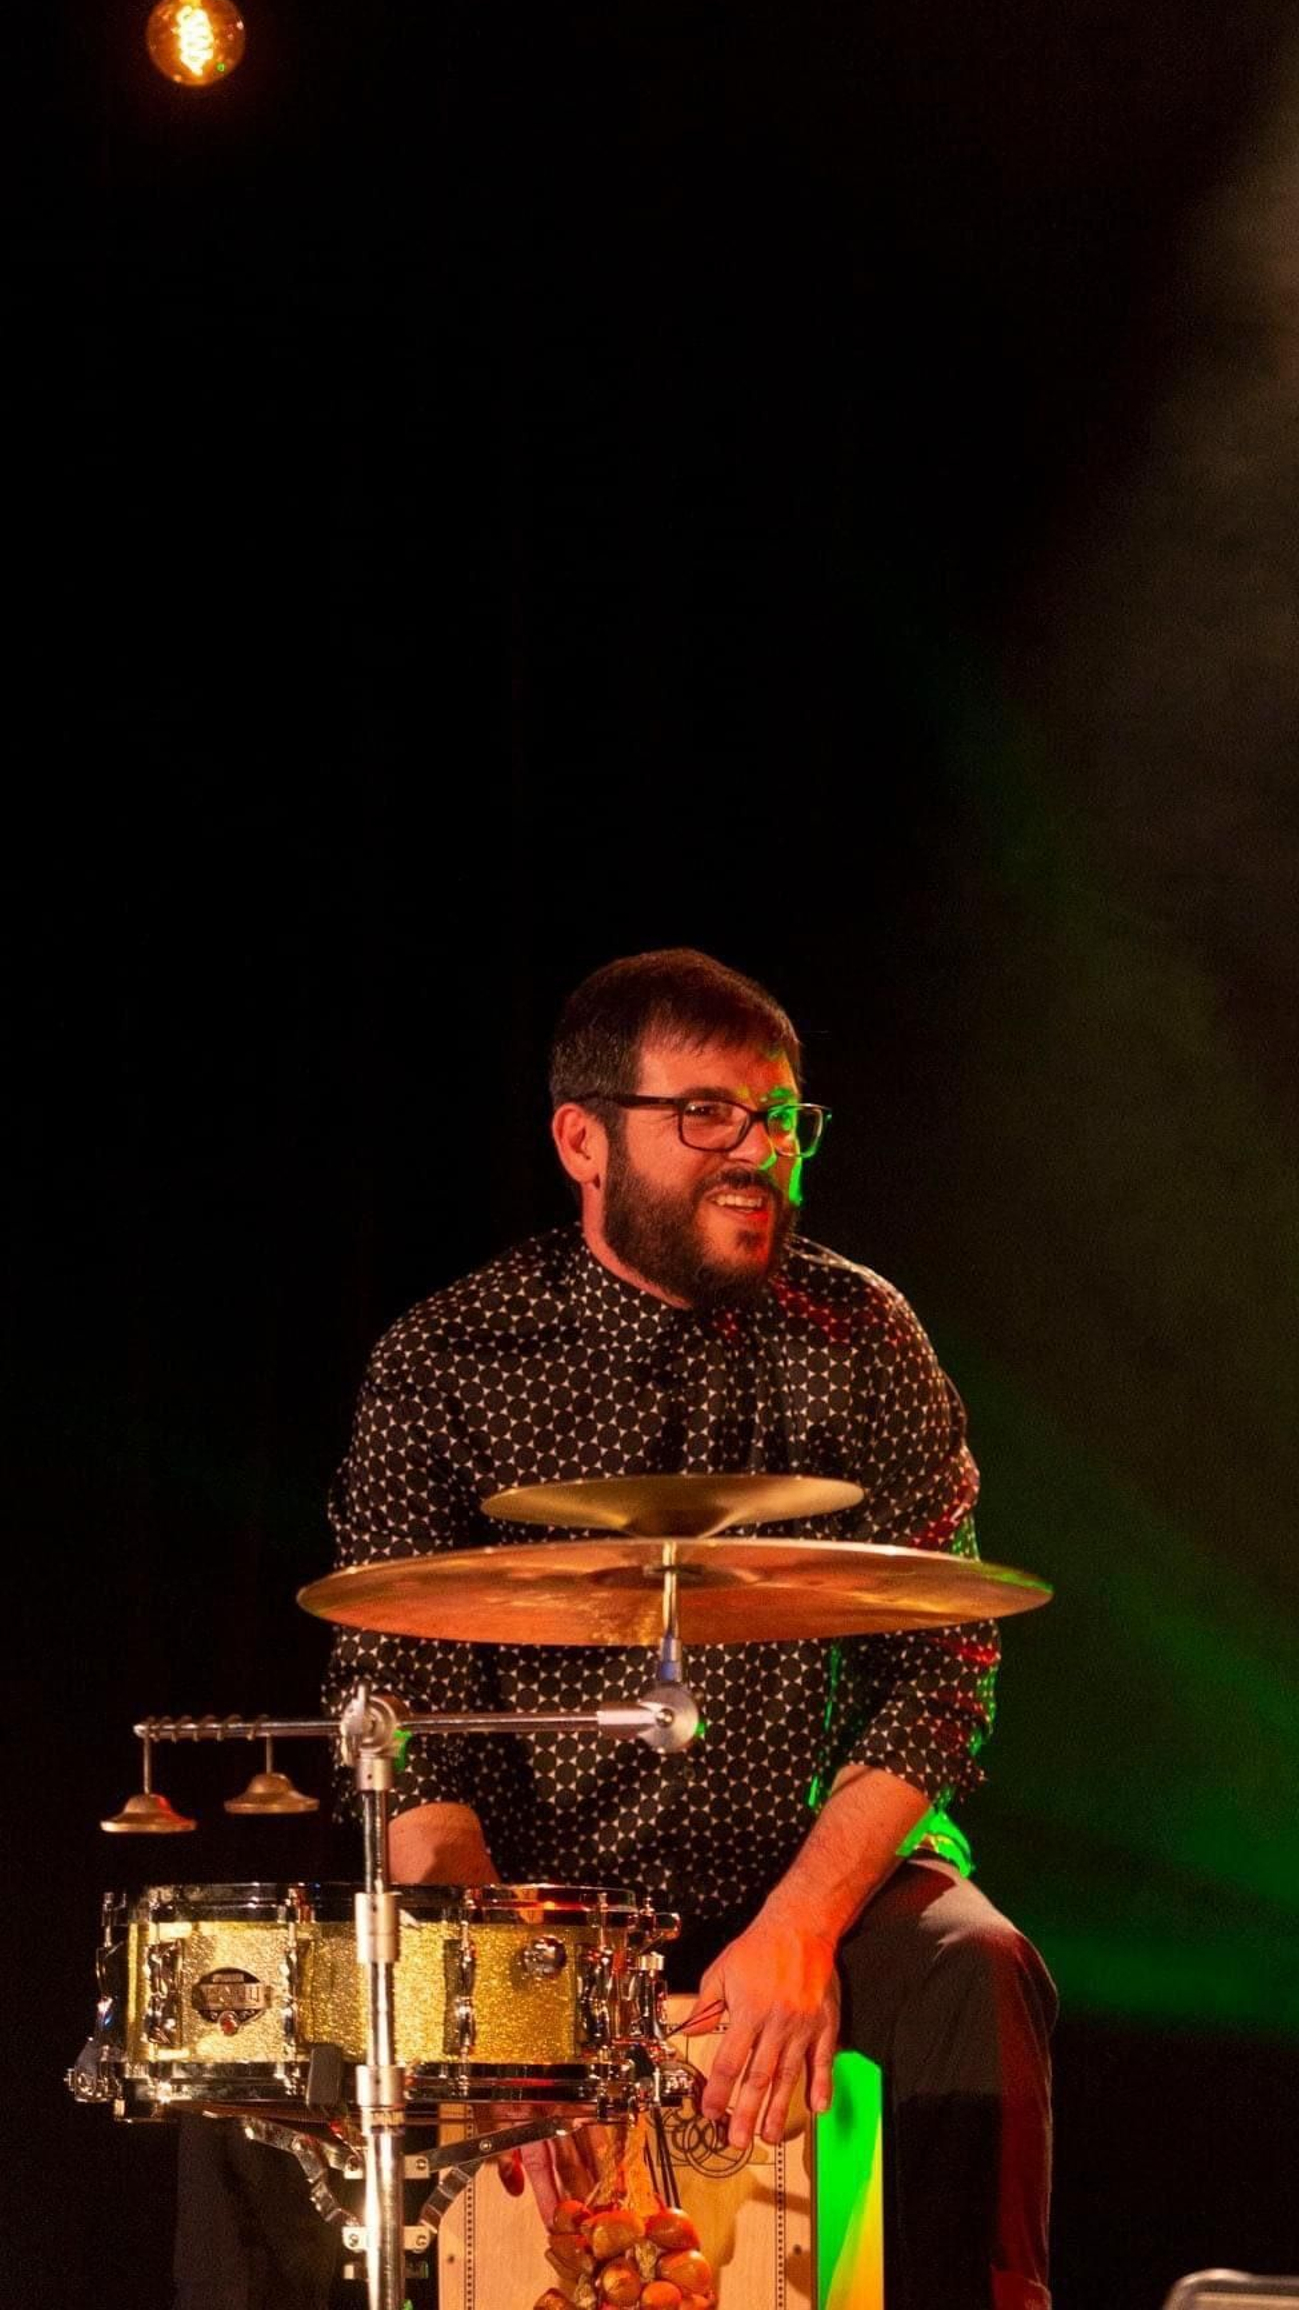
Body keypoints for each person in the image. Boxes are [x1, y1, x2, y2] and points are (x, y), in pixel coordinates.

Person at [181, 947, 1055, 2310]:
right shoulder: (448, 1358)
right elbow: (408, 1714)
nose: (757, 1153)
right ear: (583, 1140)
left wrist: (800, 1929)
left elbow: (943, 1671)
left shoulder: (864, 1334)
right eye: (708, 1115)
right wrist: (510, 1983)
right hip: (540, 1894)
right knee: (258, 2047)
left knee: (976, 1973)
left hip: (807, 1870)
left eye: (781, 1120)